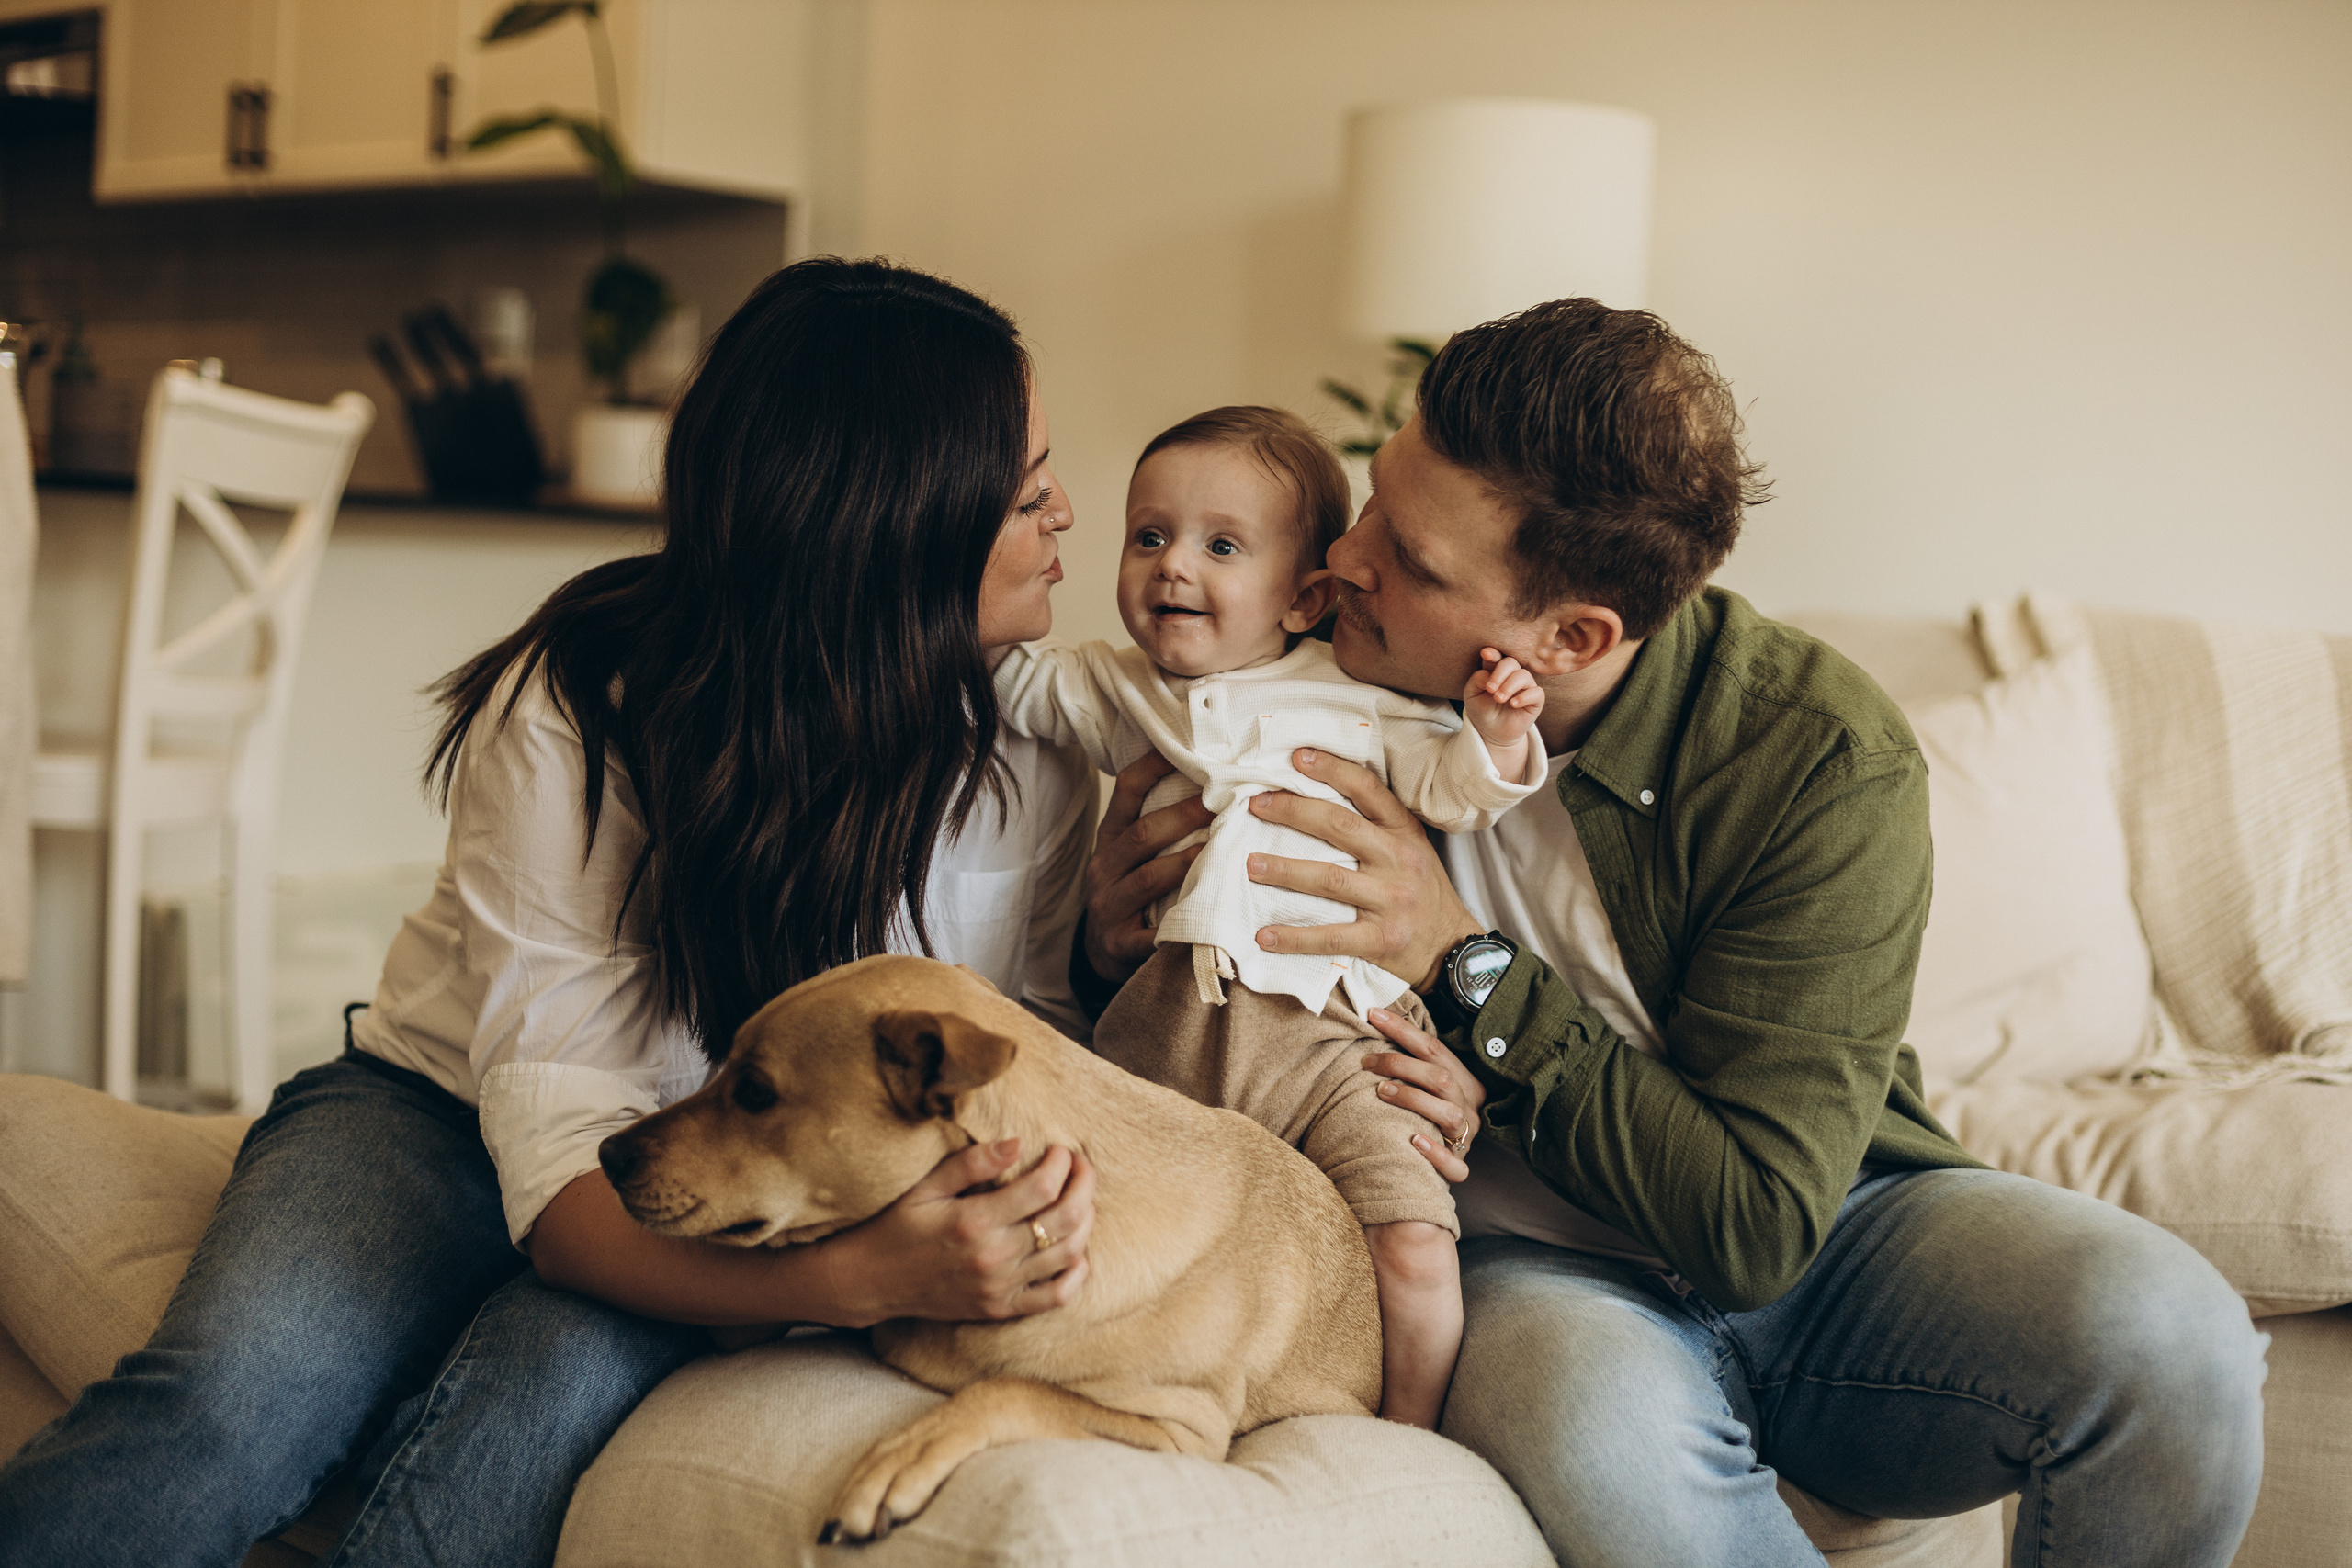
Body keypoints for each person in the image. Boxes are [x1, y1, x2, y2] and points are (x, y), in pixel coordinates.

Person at [1073, 299, 2268, 1565]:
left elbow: (1758, 1223)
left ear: (1571, 636)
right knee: (1599, 1435)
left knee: (2174, 1336)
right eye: (1374, 502)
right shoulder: (1291, 641)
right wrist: (1105, 942)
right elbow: (1178, 1012)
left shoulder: (1814, 753)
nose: (1348, 558)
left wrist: (1463, 961)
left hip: (1831, 1240)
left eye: (1413, 562)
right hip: (1524, 1262)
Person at [0, 258, 1103, 1568]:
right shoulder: (579, 705)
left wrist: (1119, 948)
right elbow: (562, 1169)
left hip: (722, 1174)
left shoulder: (1041, 746)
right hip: (438, 1117)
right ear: (890, 526)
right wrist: (851, 1281)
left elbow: (1035, 1043)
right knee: (222, 1412)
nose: (1065, 514)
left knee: (507, 1446)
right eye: (1027, 492)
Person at [992, 405, 1544, 1427]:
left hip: (1336, 1038)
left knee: (1415, 1240)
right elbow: (1006, 681)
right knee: (1097, 1223)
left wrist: (1498, 733)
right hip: (1164, 1032)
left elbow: (1457, 789)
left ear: (1304, 598)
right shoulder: (1119, 687)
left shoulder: (1356, 695)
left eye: (1221, 547)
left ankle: (1409, 1434)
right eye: (1148, 536)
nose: (1171, 565)